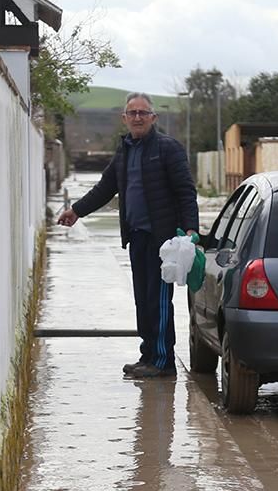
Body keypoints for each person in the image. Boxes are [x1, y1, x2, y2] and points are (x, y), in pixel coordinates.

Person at [57, 93, 199, 378]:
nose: (137, 117)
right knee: (142, 301)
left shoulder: (168, 149)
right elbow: (105, 188)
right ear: (124, 118)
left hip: (163, 242)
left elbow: (186, 191)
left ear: (153, 118)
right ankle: (148, 355)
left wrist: (192, 230)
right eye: (132, 113)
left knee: (158, 300)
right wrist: (77, 211)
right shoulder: (125, 151)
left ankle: (163, 362)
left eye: (142, 113)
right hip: (137, 237)